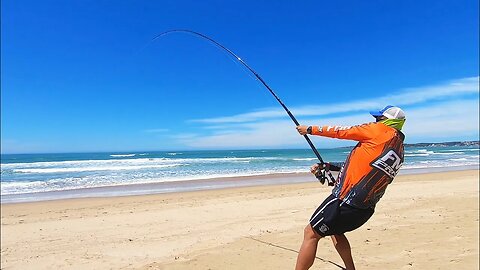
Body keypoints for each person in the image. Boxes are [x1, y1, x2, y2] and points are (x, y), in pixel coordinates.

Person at [294, 105, 406, 270]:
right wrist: (327, 166)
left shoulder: (377, 131)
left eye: (378, 119)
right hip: (365, 209)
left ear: (387, 121)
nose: (374, 121)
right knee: (335, 231)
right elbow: (359, 165)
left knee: (310, 233)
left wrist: (309, 129)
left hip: (344, 201)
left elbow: (341, 131)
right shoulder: (399, 149)